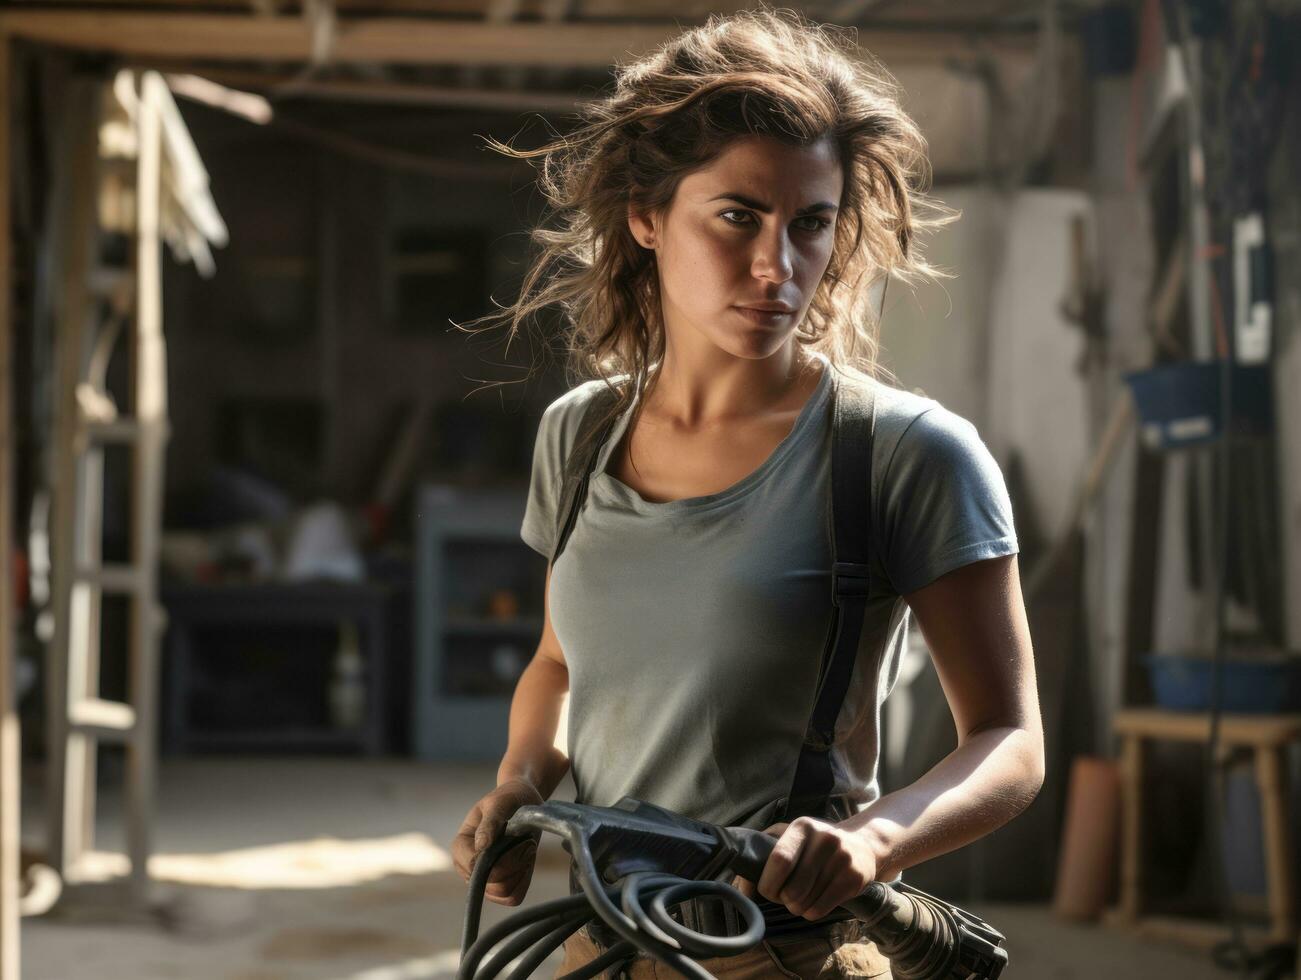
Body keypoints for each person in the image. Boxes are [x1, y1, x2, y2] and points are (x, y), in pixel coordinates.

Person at [451, 9, 1044, 979]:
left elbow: (1010, 741)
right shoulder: (579, 433)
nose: (779, 266)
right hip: (604, 940)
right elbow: (561, 662)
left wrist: (875, 838)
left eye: (809, 223)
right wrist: (520, 779)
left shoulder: (906, 453)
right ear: (646, 215)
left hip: (794, 953)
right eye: (737, 216)